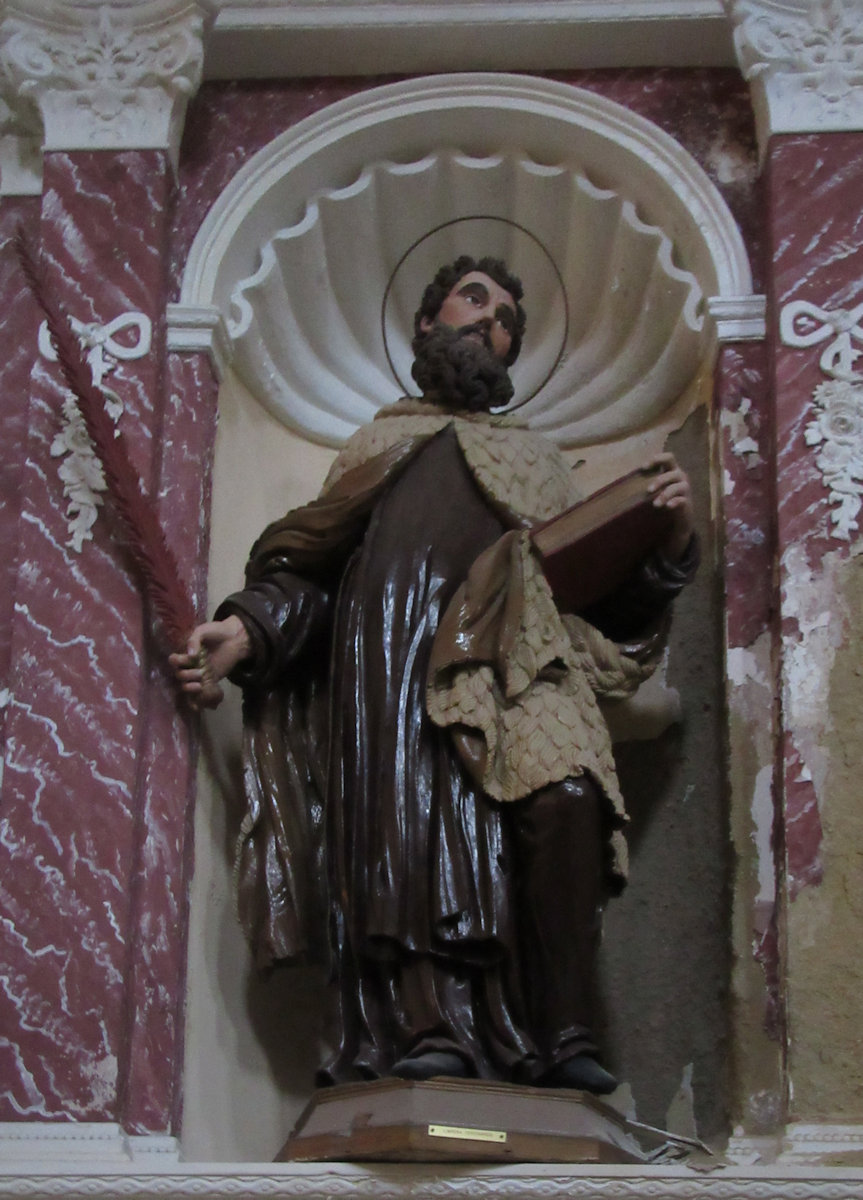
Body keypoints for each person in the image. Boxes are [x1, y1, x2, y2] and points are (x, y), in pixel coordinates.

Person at [172, 255, 697, 1095]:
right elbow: (314, 570)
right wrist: (248, 630)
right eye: (475, 301)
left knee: (565, 800)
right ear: (426, 323)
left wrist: (662, 544)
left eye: (506, 324)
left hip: (521, 663)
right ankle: (427, 1024)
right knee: (412, 829)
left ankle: (558, 1029)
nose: (490, 324)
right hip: (396, 661)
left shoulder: (540, 459)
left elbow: (599, 600)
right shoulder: (379, 444)